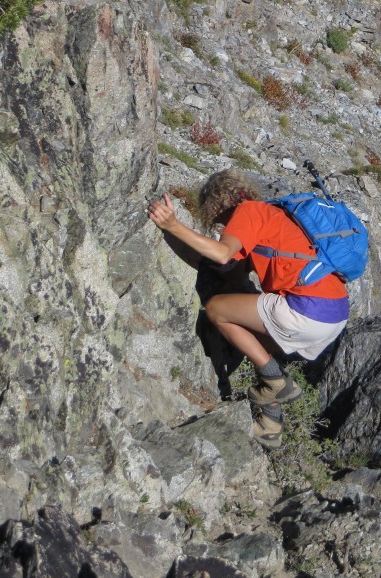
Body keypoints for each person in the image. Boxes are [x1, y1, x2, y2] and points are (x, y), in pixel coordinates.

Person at [147, 169, 349, 450]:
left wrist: (172, 226)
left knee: (216, 309)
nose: (219, 228)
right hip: (335, 316)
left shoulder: (248, 213)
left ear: (219, 205)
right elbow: (229, 270)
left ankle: (276, 382)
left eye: (216, 220)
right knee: (254, 344)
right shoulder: (272, 219)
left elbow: (222, 254)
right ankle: (271, 424)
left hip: (308, 309)